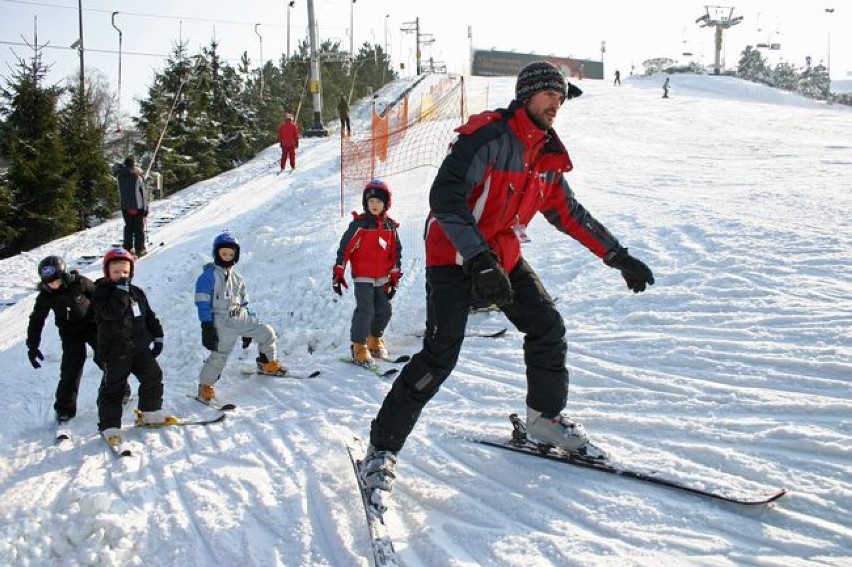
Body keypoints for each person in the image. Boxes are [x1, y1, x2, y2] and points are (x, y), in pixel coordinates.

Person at [359, 61, 655, 508]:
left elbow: (569, 214)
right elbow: (445, 197)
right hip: (454, 255)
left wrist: (617, 255)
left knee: (547, 326)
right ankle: (381, 448)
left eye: (561, 98)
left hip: (501, 256)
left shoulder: (547, 158)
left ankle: (543, 419)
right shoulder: (489, 137)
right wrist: (476, 258)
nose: (556, 104)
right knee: (440, 355)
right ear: (527, 95)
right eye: (549, 95)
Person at [195, 232, 289, 403]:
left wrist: (248, 326)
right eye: (223, 254)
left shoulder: (238, 278)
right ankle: (205, 386)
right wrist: (206, 325)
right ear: (216, 253)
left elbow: (244, 303)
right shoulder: (208, 276)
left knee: (266, 332)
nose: (227, 257)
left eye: (231, 254)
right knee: (219, 355)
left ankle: (267, 363)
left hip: (241, 316)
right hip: (222, 321)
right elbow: (202, 302)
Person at [93, 247, 173, 446]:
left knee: (153, 376)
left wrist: (158, 335)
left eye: (125, 272)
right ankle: (110, 426)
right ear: (107, 272)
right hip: (115, 352)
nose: (121, 276)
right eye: (116, 272)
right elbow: (111, 313)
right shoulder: (101, 292)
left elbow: (148, 315)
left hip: (139, 348)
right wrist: (120, 292)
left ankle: (149, 412)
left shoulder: (136, 292)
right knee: (114, 389)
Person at [26, 256, 109, 423]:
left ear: (63, 275)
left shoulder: (79, 282)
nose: (53, 285)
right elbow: (36, 320)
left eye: (56, 280)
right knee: (71, 367)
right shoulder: (46, 295)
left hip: (91, 324)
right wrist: (32, 346)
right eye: (49, 283)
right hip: (70, 332)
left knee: (105, 358)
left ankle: (120, 389)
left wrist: (108, 319)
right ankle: (64, 408)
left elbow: (99, 297)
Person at [332, 179, 402, 365]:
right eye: (371, 201)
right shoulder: (360, 225)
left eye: (379, 201)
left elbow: (396, 253)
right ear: (366, 203)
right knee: (366, 310)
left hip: (382, 278)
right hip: (363, 276)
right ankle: (359, 345)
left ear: (386, 203)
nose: (375, 205)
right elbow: (344, 249)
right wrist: (339, 272)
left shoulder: (391, 227)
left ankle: (374, 339)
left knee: (384, 310)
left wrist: (394, 277)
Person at [116, 156, 149, 257]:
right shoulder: (137, 176)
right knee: (139, 228)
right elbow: (143, 193)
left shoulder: (120, 176)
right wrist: (145, 209)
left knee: (128, 227)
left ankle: (127, 248)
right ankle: (140, 249)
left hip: (125, 206)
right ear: (133, 165)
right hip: (137, 206)